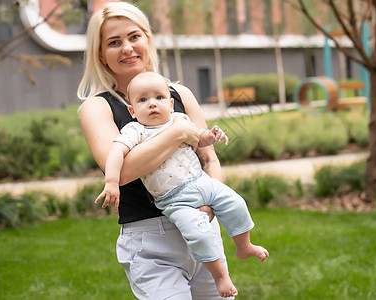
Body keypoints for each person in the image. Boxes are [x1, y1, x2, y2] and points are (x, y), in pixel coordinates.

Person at [77, 2, 235, 299]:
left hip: (201, 226)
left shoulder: (180, 95)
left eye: (134, 37)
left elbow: (209, 159)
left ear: (147, 40)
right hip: (150, 240)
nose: (127, 48)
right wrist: (176, 132)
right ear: (101, 54)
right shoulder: (97, 107)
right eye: (114, 42)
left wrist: (211, 206)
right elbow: (121, 173)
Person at [95, 71, 269, 297]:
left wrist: (212, 135)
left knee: (236, 202)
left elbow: (199, 139)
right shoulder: (135, 131)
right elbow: (116, 152)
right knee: (199, 234)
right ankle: (220, 276)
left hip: (202, 183)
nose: (152, 105)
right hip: (175, 199)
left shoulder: (179, 119)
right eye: (142, 100)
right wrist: (111, 182)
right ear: (132, 111)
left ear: (170, 103)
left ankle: (244, 245)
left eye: (158, 98)